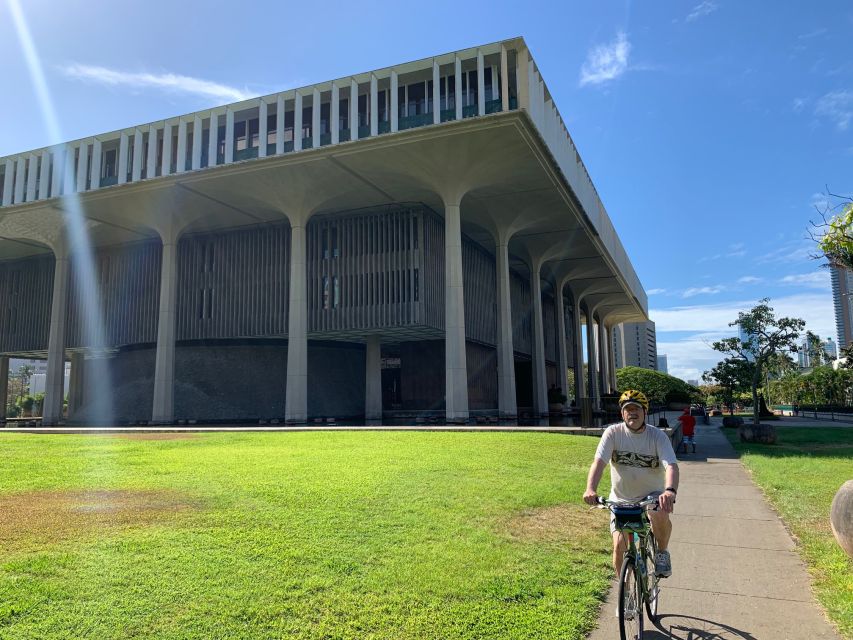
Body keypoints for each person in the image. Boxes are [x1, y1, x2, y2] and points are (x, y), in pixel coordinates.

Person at [583, 389, 680, 580]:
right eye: (628, 409)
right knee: (619, 546)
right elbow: (599, 463)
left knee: (660, 512)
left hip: (651, 495)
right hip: (621, 498)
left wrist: (669, 491)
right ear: (622, 413)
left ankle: (662, 552)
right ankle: (625, 593)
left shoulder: (657, 437)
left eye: (637, 409)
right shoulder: (613, 433)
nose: (632, 413)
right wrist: (590, 489)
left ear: (645, 412)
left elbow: (671, 466)